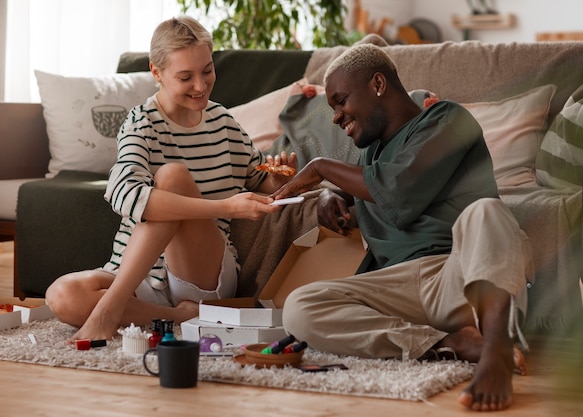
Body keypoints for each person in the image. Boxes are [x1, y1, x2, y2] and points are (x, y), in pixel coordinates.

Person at [272, 43, 533, 412]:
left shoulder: (446, 120)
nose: (336, 117)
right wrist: (333, 196)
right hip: (399, 288)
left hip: (457, 277)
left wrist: (320, 169)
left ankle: (495, 350)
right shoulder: (371, 154)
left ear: (378, 83)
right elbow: (375, 182)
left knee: (487, 212)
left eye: (341, 101)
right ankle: (446, 343)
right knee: (299, 308)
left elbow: (396, 187)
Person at [46, 16, 295, 343]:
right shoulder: (141, 123)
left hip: (201, 272)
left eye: (207, 70)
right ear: (156, 72)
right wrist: (225, 206)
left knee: (173, 176)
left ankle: (110, 310)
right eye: (185, 77)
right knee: (61, 296)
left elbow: (256, 178)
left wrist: (278, 178)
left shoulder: (222, 121)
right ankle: (178, 317)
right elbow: (124, 195)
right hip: (139, 278)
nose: (201, 85)